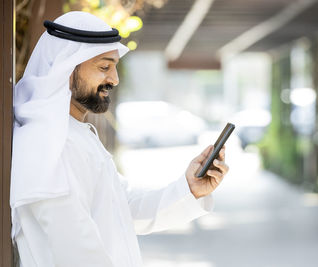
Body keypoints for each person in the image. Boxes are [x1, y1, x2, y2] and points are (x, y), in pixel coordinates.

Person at [10, 11, 229, 267]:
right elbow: (77, 252)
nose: (114, 79)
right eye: (104, 67)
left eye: (114, 67)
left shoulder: (72, 134)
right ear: (65, 69)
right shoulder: (46, 143)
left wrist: (188, 189)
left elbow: (120, 207)